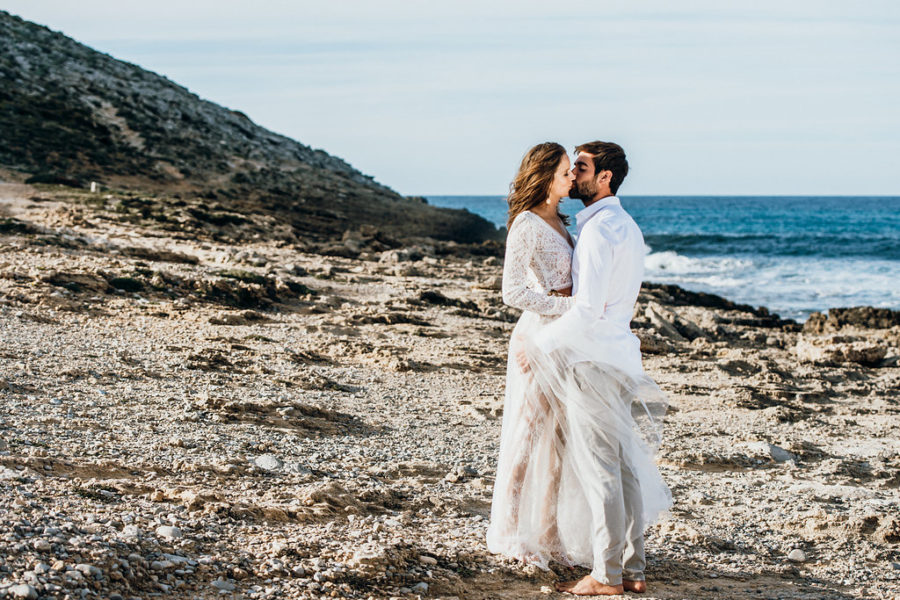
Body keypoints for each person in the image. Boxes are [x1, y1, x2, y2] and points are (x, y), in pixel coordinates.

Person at [487, 140, 672, 596]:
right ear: (548, 175)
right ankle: (516, 533)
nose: (573, 178)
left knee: (566, 448)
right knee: (531, 438)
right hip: (558, 341)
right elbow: (517, 292)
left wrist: (567, 321)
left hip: (573, 343)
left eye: (579, 169)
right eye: (569, 171)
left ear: (602, 177)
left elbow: (589, 305)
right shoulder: (557, 224)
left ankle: (562, 542)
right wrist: (555, 324)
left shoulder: (582, 226)